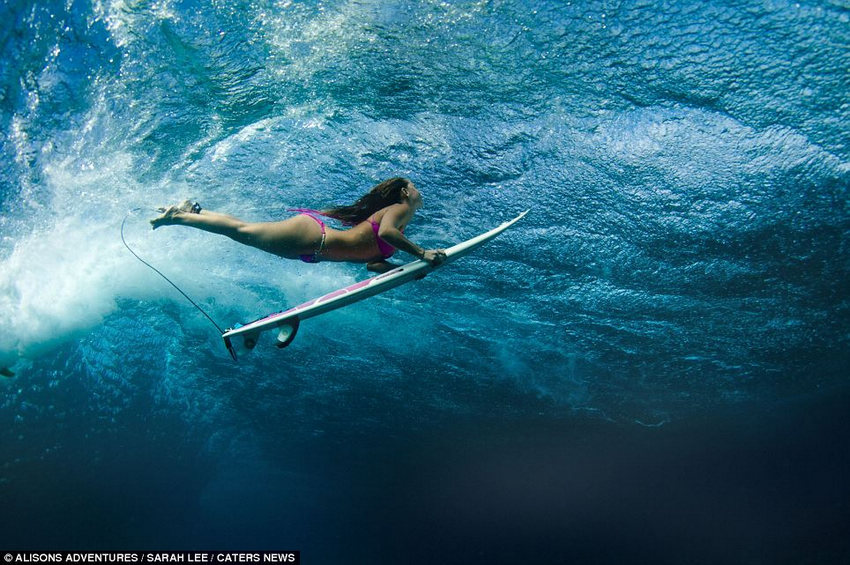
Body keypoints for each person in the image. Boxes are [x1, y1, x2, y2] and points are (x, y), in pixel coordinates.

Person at [150, 177, 447, 273]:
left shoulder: (398, 224)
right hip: (310, 237)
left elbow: (371, 263)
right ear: (406, 194)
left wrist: (401, 272)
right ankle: (178, 218)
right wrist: (422, 254)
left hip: (309, 247)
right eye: (415, 187)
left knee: (242, 229)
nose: (420, 191)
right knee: (240, 232)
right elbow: (386, 233)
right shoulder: (398, 210)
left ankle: (195, 211)